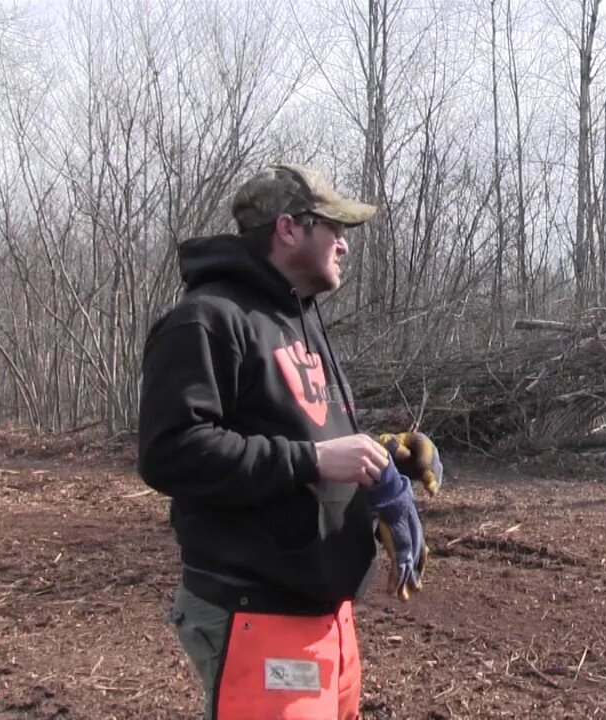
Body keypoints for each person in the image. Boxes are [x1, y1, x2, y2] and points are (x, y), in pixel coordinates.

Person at [138, 163, 440, 720]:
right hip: (257, 611)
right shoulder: (207, 321)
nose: (345, 245)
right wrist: (317, 460)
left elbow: (304, 431)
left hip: (322, 615)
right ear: (288, 229)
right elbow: (171, 451)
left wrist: (385, 455)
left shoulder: (296, 317)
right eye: (336, 228)